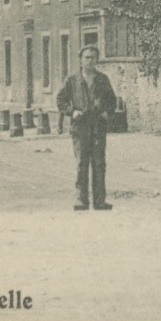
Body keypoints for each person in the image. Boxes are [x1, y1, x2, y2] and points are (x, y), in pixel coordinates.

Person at [56, 46, 118, 211]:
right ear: (81, 60)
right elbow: (60, 99)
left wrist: (107, 112)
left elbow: (113, 100)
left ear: (97, 60)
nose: (90, 61)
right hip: (80, 127)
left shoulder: (102, 79)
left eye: (93, 58)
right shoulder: (72, 80)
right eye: (87, 58)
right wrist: (72, 111)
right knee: (82, 163)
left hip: (98, 126)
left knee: (99, 163)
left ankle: (99, 201)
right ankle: (81, 201)